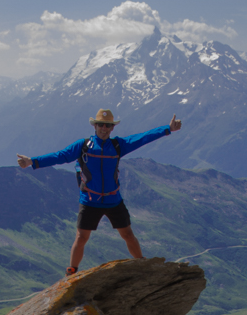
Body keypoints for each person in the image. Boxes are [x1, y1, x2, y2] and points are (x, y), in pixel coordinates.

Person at [17, 109, 182, 276]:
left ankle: (142, 264)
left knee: (128, 234)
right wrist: (32, 161)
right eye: (101, 125)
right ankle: (71, 272)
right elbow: (61, 156)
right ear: (95, 126)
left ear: (112, 128)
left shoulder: (118, 145)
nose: (104, 128)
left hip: (113, 200)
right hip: (90, 200)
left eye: (108, 125)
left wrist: (167, 129)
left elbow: (142, 138)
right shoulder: (83, 146)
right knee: (81, 238)